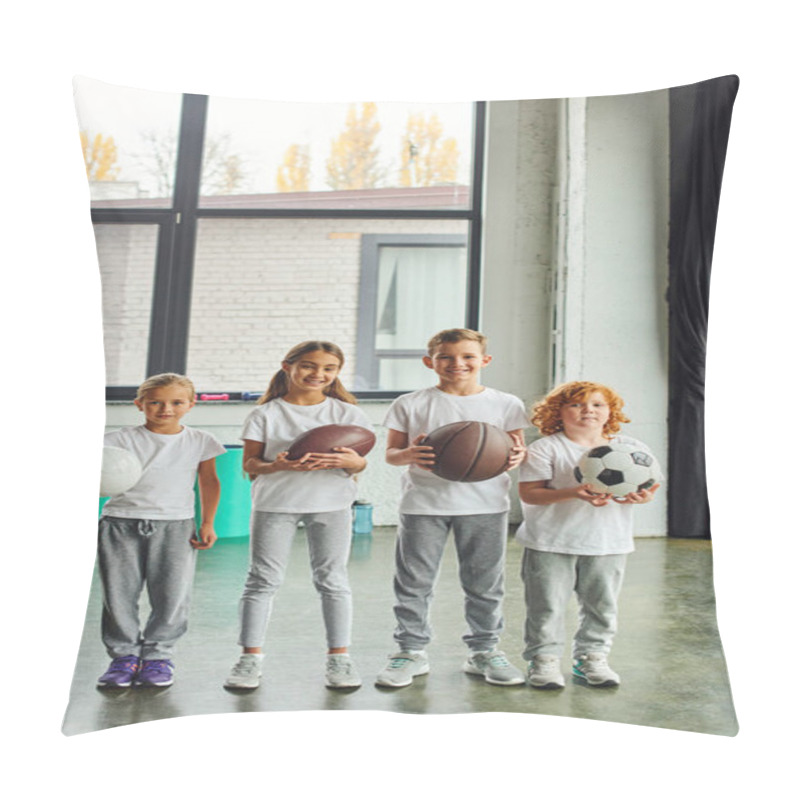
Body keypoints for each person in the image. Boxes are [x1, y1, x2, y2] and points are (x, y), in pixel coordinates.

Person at [375, 328, 528, 688]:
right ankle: (410, 651)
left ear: (484, 361)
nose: (457, 364)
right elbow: (392, 455)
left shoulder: (506, 404)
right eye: (446, 357)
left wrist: (519, 455)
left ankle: (484, 650)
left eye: (468, 357)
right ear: (430, 362)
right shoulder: (410, 403)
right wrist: (410, 454)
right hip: (423, 504)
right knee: (414, 582)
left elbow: (516, 451)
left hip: (486, 505)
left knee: (485, 583)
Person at [224, 341, 371, 691]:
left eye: (328, 368)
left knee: (332, 580)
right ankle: (249, 659)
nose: (318, 374)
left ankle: (339, 658)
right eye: (308, 365)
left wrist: (355, 462)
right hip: (275, 504)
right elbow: (250, 464)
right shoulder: (265, 414)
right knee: (262, 581)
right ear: (287, 366)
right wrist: (276, 465)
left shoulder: (348, 413)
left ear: (337, 372)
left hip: (332, 504)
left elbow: (360, 464)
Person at [517, 381, 661, 690]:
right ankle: (543, 659)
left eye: (597, 404)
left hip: (607, 542)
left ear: (610, 412)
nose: (588, 411)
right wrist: (573, 493)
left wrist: (642, 497)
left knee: (602, 605)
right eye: (576, 405)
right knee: (546, 605)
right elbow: (530, 494)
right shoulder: (546, 448)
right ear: (558, 412)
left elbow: (650, 487)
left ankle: (592, 657)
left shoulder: (631, 448)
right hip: (550, 541)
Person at [96, 373, 225, 689]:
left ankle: (158, 657)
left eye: (176, 402)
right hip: (119, 524)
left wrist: (208, 523)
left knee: (172, 596)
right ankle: (123, 657)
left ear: (191, 405)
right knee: (118, 594)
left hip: (176, 526)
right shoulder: (117, 440)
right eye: (155, 402)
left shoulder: (200, 441)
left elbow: (209, 482)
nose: (165, 408)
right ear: (140, 404)